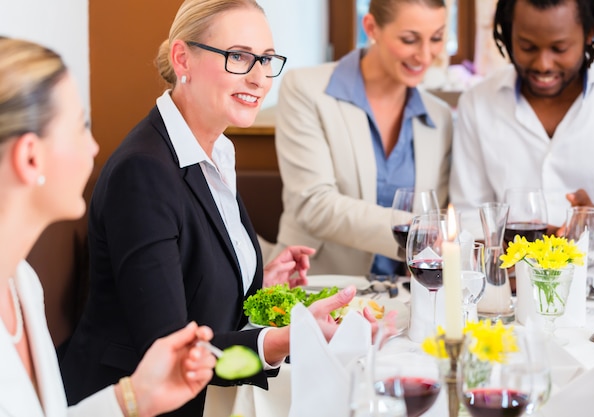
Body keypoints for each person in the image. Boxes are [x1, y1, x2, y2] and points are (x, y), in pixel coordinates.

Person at [59, 1, 369, 415]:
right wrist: (286, 338)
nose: (260, 78)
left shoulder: (216, 150)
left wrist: (255, 282)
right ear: (182, 57)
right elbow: (172, 353)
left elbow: (194, 282)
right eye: (239, 57)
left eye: (267, 59)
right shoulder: (144, 171)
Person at [0, 36, 216, 417]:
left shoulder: (22, 282)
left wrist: (134, 396)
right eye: (81, 126)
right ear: (30, 157)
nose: (95, 147)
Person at [269, 0, 453, 277]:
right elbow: (314, 204)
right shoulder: (305, 89)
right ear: (371, 28)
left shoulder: (439, 117)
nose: (425, 56)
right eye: (409, 40)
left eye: (436, 38)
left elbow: (432, 216)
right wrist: (414, 228)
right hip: (315, 285)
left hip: (402, 295)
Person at [449, 0, 594, 238]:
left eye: (559, 48)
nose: (543, 64)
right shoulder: (478, 102)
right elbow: (467, 214)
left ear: (590, 34)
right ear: (509, 34)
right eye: (528, 47)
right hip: (512, 274)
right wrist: (508, 244)